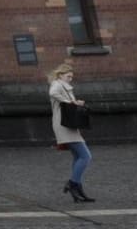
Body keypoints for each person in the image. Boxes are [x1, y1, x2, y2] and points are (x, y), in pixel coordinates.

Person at [50, 63, 95, 203]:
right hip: (64, 126)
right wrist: (72, 102)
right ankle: (73, 184)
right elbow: (52, 93)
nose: (70, 79)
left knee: (78, 157)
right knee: (86, 156)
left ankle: (78, 190)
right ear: (60, 75)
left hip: (67, 126)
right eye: (68, 76)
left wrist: (73, 102)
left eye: (71, 76)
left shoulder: (63, 85)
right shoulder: (57, 84)